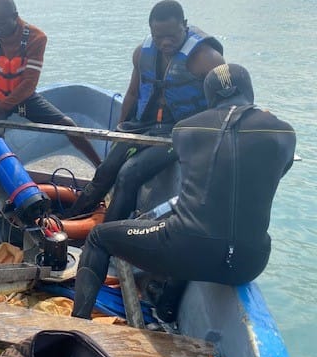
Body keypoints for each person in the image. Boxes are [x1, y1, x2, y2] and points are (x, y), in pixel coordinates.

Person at [71, 63, 296, 321]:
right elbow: (276, 173)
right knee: (194, 227)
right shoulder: (284, 132)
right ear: (249, 91)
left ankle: (79, 324)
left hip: (187, 250)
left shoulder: (185, 129)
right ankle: (166, 306)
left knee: (99, 237)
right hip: (250, 261)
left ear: (209, 96)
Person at [65, 0, 225, 221]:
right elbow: (132, 94)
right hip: (144, 126)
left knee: (129, 174)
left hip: (181, 133)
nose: (165, 42)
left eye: (172, 36)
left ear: (185, 25)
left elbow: (225, 108)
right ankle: (71, 217)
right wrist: (118, 132)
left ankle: (106, 234)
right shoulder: (142, 53)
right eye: (159, 37)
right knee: (106, 170)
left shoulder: (209, 59)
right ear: (151, 31)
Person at [0, 0, 102, 167]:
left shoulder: (36, 38)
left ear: (15, 17)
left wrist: (1, 107)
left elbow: (29, 83)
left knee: (67, 125)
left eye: (1, 24)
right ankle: (1, 174)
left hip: (22, 99)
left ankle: (100, 167)